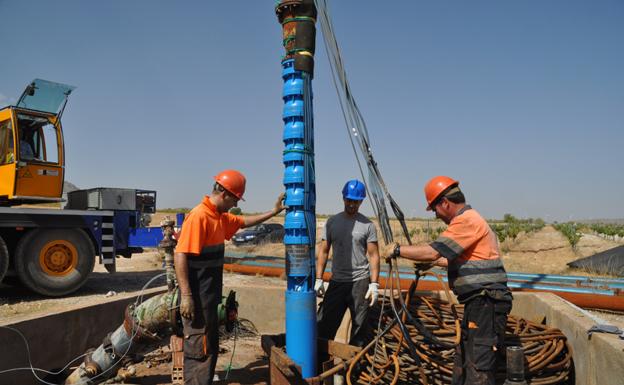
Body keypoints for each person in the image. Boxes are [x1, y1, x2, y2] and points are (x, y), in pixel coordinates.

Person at [389, 176, 512, 385]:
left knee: (478, 367)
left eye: (434, 209)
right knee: (464, 361)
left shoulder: (466, 221)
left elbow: (432, 252)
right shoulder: (470, 220)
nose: (436, 215)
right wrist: (433, 264)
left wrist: (398, 250)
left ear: (445, 203)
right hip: (480, 303)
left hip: (486, 303)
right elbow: (457, 259)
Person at [174, 169, 286, 385]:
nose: (235, 204)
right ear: (225, 194)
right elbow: (180, 254)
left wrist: (273, 212)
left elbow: (243, 221)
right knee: (199, 348)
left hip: (209, 297)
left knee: (209, 345)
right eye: (235, 199)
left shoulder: (219, 217)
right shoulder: (199, 216)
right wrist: (186, 296)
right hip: (196, 298)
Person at [315, 179, 380, 349]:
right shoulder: (332, 223)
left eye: (356, 201)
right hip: (337, 281)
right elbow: (323, 251)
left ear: (361, 201)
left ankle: (353, 371)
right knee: (323, 325)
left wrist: (374, 284)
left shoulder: (368, 225)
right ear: (343, 198)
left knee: (359, 330)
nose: (352, 204)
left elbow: (373, 255)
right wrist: (319, 279)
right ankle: (321, 366)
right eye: (349, 200)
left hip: (360, 282)